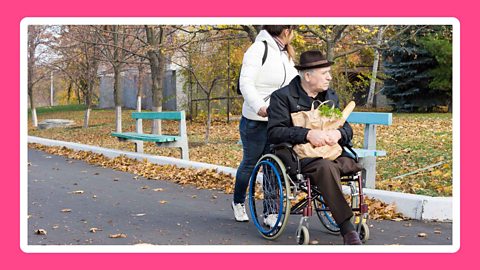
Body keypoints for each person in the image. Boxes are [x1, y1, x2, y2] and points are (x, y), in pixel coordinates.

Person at [267, 50, 363, 245]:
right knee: (327, 169)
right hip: (299, 156)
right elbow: (275, 132)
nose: (329, 77)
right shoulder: (282, 97)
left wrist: (339, 134)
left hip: (330, 152)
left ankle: (341, 211)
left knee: (348, 165)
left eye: (329, 72)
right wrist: (307, 134)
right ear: (308, 76)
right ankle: (348, 229)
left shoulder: (330, 96)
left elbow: (346, 128)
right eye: (324, 73)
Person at [232, 25, 298, 226]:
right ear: (286, 31)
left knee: (274, 167)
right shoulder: (258, 49)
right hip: (256, 120)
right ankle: (238, 202)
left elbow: (294, 82)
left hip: (278, 121)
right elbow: (246, 83)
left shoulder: (285, 53)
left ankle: (271, 212)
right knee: (250, 164)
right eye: (293, 30)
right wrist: (259, 106)